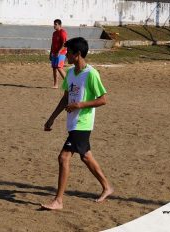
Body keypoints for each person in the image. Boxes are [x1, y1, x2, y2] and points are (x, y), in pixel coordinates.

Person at [42, 37, 114, 210]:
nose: (66, 56)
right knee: (85, 156)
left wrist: (80, 105)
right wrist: (52, 118)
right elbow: (65, 97)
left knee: (63, 157)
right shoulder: (72, 73)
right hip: (73, 122)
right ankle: (107, 187)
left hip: (83, 123)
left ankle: (58, 200)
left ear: (78, 54)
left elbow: (103, 100)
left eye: (69, 53)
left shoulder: (91, 74)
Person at [49, 19, 67, 88]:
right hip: (54, 53)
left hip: (61, 53)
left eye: (55, 24)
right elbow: (52, 44)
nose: (54, 25)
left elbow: (64, 43)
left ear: (60, 25)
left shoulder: (62, 32)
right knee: (54, 68)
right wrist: (51, 53)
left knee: (59, 67)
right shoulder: (54, 33)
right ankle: (55, 84)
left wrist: (59, 52)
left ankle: (68, 83)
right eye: (54, 24)